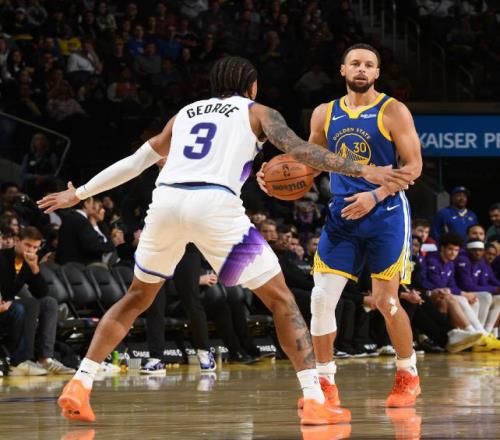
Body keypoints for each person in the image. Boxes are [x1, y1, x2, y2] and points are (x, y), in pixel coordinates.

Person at [38, 56, 411, 425]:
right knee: (281, 300)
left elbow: (136, 162)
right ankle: (315, 399)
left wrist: (79, 193)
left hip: (165, 205)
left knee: (137, 297)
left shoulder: (184, 114)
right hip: (214, 208)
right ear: (252, 86)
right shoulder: (257, 112)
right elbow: (301, 151)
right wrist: (363, 169)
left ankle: (80, 382)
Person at [258, 43, 423, 409]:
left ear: (377, 73)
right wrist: (274, 176)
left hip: (386, 213)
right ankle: (325, 381)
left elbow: (413, 167)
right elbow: (311, 161)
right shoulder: (325, 113)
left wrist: (375, 196)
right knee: (320, 298)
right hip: (342, 215)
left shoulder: (394, 111)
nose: (362, 69)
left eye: (369, 65)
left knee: (386, 301)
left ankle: (407, 373)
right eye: (355, 63)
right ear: (343, 70)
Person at [0, 226, 75, 374]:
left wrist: (35, 268)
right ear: (17, 241)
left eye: (35, 247)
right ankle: (20, 361)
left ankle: (45, 358)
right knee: (29, 304)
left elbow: (41, 293)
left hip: (9, 305)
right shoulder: (2, 257)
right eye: (28, 245)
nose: (31, 250)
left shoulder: (28, 263)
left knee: (49, 303)